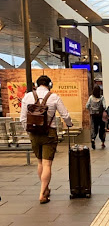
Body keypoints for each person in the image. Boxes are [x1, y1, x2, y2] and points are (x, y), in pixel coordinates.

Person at [20, 74, 72, 204]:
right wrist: (69, 123)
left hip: (34, 133)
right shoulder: (54, 97)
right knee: (47, 163)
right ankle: (42, 193)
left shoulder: (27, 96)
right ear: (49, 85)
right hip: (49, 133)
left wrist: (29, 131)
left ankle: (46, 188)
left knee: (40, 162)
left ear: (36, 85)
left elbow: (22, 119)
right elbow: (65, 115)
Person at [86, 84, 106, 149]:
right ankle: (102, 142)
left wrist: (90, 110)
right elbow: (104, 106)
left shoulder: (91, 98)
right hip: (100, 116)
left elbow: (87, 106)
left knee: (94, 128)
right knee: (102, 128)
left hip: (93, 115)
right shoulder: (102, 98)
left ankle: (93, 139)